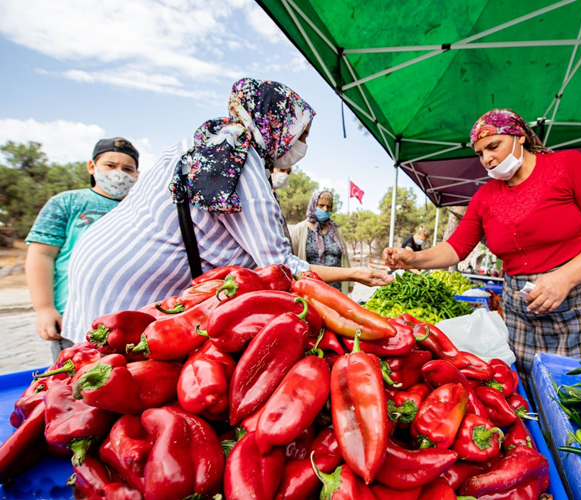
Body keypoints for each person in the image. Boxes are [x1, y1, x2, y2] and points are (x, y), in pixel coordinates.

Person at [62, 78, 392, 344]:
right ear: (277, 125)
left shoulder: (201, 141)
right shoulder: (243, 163)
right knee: (100, 381)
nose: (302, 144)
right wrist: (357, 286)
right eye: (300, 134)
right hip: (128, 291)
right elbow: (279, 268)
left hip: (97, 263)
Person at [383, 108, 581, 377]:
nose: (487, 159)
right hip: (524, 312)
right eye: (480, 153)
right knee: (531, 390)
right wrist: (414, 259)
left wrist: (565, 278)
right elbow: (456, 247)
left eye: (494, 146)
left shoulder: (568, 166)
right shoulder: (484, 197)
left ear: (519, 137)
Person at [25, 138, 140, 360]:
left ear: (137, 175)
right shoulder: (67, 202)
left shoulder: (138, 209)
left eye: (128, 169)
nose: (119, 174)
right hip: (73, 319)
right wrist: (44, 308)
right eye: (110, 165)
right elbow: (41, 255)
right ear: (92, 166)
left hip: (123, 321)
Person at [289, 190, 352, 294]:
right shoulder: (300, 229)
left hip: (336, 289)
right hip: (311, 289)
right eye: (321, 205)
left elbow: (344, 257)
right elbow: (293, 258)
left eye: (329, 206)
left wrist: (350, 283)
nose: (325, 209)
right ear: (313, 205)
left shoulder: (336, 230)